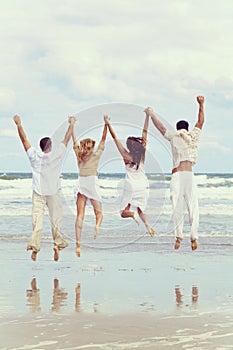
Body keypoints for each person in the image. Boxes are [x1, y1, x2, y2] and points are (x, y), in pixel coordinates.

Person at [145, 96, 205, 250]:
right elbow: (200, 122)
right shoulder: (193, 136)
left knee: (177, 206)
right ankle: (194, 238)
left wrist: (152, 114)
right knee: (193, 206)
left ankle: (178, 237)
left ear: (178, 128)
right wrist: (201, 104)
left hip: (177, 175)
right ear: (187, 127)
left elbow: (160, 128)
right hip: (189, 175)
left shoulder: (174, 136)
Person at [13, 115, 76, 261]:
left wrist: (19, 125)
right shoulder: (57, 154)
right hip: (53, 192)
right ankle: (57, 244)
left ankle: (35, 247)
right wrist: (71, 124)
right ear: (51, 146)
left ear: (41, 147)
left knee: (37, 220)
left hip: (38, 192)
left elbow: (24, 140)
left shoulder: (35, 156)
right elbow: (67, 139)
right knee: (56, 220)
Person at [104, 114, 155, 237]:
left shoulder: (126, 156)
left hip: (131, 185)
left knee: (123, 212)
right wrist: (147, 116)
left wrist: (107, 123)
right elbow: (145, 133)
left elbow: (115, 137)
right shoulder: (142, 155)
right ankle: (148, 225)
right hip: (143, 185)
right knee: (140, 209)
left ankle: (132, 215)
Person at [72, 120, 107, 257]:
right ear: (91, 147)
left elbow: (74, 141)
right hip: (92, 183)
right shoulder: (96, 154)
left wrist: (72, 125)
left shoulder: (79, 155)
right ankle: (97, 225)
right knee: (99, 213)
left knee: (80, 215)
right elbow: (103, 139)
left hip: (81, 184)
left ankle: (78, 244)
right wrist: (106, 124)